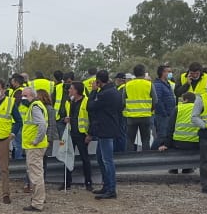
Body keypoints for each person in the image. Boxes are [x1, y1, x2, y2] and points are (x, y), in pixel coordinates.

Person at [88, 71, 125, 199]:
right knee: (100, 158)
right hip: (109, 128)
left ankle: (111, 189)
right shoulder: (115, 91)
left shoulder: (104, 94)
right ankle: (106, 185)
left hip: (105, 130)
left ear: (98, 81)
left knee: (107, 160)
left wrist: (93, 92)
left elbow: (90, 106)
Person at [59, 82, 94, 191]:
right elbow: (62, 116)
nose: (69, 90)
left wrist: (90, 134)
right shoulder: (68, 102)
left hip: (82, 134)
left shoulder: (87, 101)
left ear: (77, 90)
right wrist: (64, 120)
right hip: (70, 133)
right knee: (67, 156)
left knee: (85, 158)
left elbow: (92, 119)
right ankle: (66, 182)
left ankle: (88, 182)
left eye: (71, 89)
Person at [21, 87, 50, 211]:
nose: (23, 98)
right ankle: (39, 198)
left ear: (33, 96)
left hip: (35, 146)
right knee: (36, 173)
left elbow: (42, 125)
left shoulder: (35, 107)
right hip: (35, 146)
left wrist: (36, 140)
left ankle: (37, 203)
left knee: (36, 175)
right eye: (22, 95)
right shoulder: (36, 106)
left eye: (26, 96)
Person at [122, 64, 153, 151]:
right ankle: (146, 160)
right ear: (144, 73)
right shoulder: (149, 84)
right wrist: (150, 109)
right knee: (146, 140)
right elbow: (155, 100)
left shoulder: (127, 85)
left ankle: (129, 161)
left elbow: (123, 101)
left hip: (131, 117)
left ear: (134, 74)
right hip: (145, 116)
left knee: (130, 140)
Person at [150, 65, 177, 150]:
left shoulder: (167, 84)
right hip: (163, 116)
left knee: (166, 135)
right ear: (162, 73)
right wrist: (165, 113)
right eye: (168, 71)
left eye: (170, 72)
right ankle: (151, 152)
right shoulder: (158, 85)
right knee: (162, 135)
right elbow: (158, 100)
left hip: (169, 114)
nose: (170, 73)